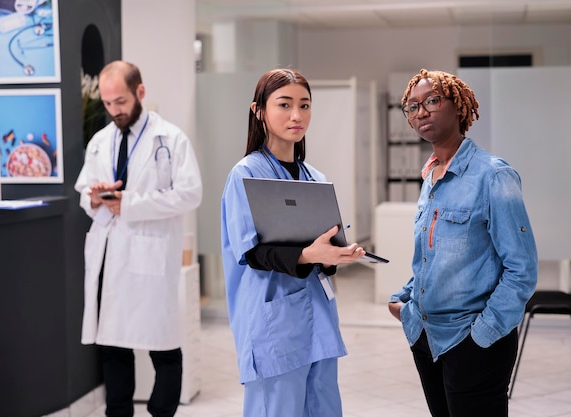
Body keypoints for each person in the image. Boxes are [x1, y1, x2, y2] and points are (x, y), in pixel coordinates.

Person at [388, 69, 538, 417]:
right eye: (412, 107)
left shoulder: (493, 175)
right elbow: (432, 257)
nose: (421, 112)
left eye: (432, 101)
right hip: (426, 336)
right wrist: (405, 301)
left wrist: (482, 337)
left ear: (458, 107)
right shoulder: (430, 176)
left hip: (472, 342)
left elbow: (522, 269)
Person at [220, 68, 365, 417]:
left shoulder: (315, 177)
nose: (297, 116)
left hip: (319, 320)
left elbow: (323, 247)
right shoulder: (246, 174)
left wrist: (335, 255)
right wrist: (307, 254)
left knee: (324, 408)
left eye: (305, 105)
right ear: (259, 111)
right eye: (284, 105)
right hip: (275, 323)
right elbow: (252, 252)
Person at [74, 60, 202, 417]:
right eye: (108, 103)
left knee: (163, 346)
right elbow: (86, 194)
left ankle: (162, 413)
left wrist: (130, 204)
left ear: (140, 92)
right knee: (113, 346)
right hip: (111, 256)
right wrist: (96, 197)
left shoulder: (171, 138)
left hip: (150, 255)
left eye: (121, 102)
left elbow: (191, 194)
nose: (114, 110)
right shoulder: (100, 141)